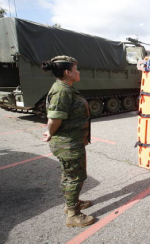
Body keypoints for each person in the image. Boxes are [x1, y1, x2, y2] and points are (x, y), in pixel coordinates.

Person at [41, 56, 95, 227]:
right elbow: (54, 118)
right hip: (68, 144)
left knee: (69, 175)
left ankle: (72, 203)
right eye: (76, 69)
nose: (78, 72)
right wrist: (49, 132)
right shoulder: (62, 91)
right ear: (68, 72)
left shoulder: (66, 88)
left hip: (71, 142)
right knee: (75, 177)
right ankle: (73, 215)